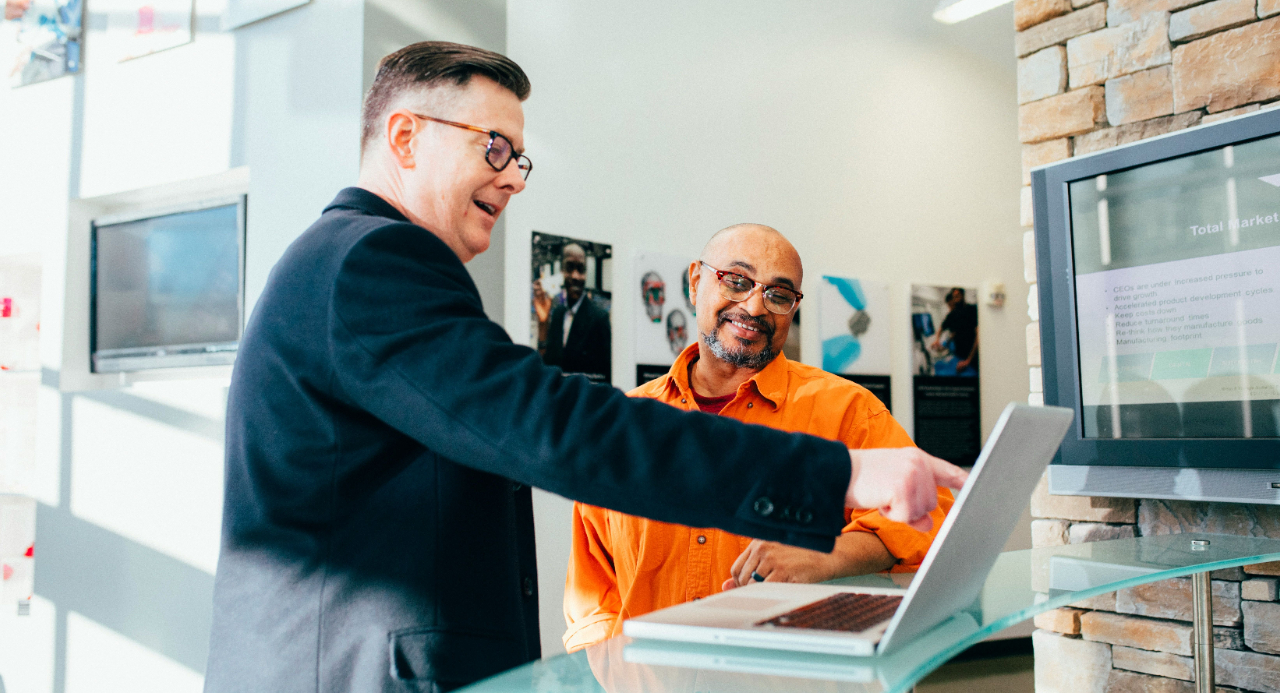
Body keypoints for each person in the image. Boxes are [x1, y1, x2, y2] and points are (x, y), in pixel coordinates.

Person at [205, 41, 966, 693]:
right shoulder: (373, 259)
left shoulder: (346, 263)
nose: (513, 177)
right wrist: (835, 476)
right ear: (405, 137)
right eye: (493, 147)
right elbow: (554, 426)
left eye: (519, 158)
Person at [563, 225, 955, 652]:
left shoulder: (847, 410)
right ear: (695, 282)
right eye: (736, 281)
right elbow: (593, 598)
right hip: (649, 675)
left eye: (778, 295)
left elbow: (931, 518)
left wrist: (827, 555)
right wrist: (612, 672)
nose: (754, 307)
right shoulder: (626, 424)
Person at [533, 243, 611, 382]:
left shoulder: (599, 319)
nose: (575, 276)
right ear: (561, 271)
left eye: (581, 269)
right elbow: (547, 365)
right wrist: (543, 324)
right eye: (569, 268)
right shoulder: (558, 314)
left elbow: (605, 377)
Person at [932, 287, 979, 375]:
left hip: (972, 357)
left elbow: (978, 335)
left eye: (958, 295)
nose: (956, 298)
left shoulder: (972, 309)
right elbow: (942, 328)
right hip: (959, 356)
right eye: (954, 296)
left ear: (963, 295)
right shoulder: (953, 314)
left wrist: (968, 360)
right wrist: (937, 340)